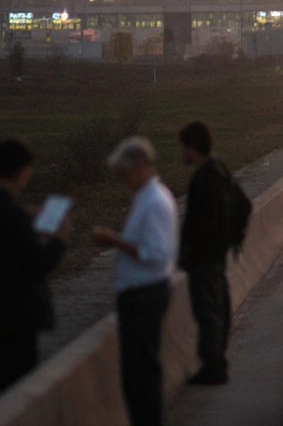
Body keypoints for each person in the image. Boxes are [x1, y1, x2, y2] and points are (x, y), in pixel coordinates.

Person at [0, 139, 69, 403]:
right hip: (18, 314)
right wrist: (59, 241)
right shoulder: (12, 214)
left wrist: (25, 223)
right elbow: (37, 263)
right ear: (23, 170)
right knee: (16, 386)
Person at [93, 137, 178, 426]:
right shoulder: (148, 196)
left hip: (144, 296)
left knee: (140, 376)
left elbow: (155, 254)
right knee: (140, 373)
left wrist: (115, 241)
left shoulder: (153, 202)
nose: (122, 181)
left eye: (123, 174)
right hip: (144, 294)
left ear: (141, 167)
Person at [177, 121, 251, 385]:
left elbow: (199, 222)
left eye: (184, 148)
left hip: (203, 258)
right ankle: (217, 360)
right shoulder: (220, 170)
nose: (182, 154)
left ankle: (213, 367)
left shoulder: (202, 179)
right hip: (217, 255)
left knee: (207, 311)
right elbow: (244, 205)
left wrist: (191, 250)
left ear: (193, 147)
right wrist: (234, 238)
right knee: (219, 307)